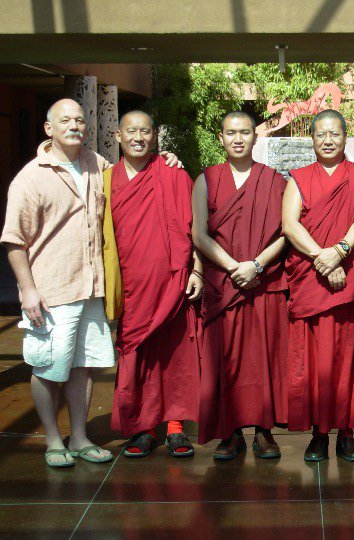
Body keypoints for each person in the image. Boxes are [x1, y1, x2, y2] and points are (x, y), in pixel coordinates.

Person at [1, 98, 116, 467]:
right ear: (49, 128)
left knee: (83, 366)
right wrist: (27, 290)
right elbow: (14, 240)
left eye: (80, 120)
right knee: (49, 367)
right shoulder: (31, 177)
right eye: (65, 120)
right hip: (52, 290)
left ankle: (80, 436)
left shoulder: (96, 164)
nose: (75, 126)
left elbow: (132, 179)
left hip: (91, 287)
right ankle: (53, 440)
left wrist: (169, 162)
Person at [282, 109, 354, 462]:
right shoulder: (298, 178)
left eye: (334, 134)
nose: (328, 140)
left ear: (345, 137)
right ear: (312, 139)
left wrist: (340, 251)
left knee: (349, 359)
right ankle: (318, 434)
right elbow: (290, 225)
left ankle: (347, 432)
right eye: (321, 134)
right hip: (313, 278)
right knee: (314, 362)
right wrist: (322, 258)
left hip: (350, 278)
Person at [193, 111, 288, 460]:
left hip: (263, 282)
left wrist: (257, 264)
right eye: (230, 133)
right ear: (220, 138)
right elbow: (198, 234)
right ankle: (229, 433)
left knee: (263, 358)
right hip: (225, 281)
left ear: (255, 137)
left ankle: (265, 431)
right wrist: (235, 266)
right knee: (225, 359)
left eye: (244, 132)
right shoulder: (206, 179)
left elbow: (286, 233)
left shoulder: (275, 181)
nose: (237, 139)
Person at [108, 110, 203, 458]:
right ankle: (144, 428)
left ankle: (176, 427)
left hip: (173, 282)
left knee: (175, 355)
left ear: (154, 137)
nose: (138, 137)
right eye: (131, 131)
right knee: (139, 356)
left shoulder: (174, 175)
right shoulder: (106, 179)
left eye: (145, 131)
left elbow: (194, 230)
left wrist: (197, 270)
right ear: (118, 135)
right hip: (132, 286)